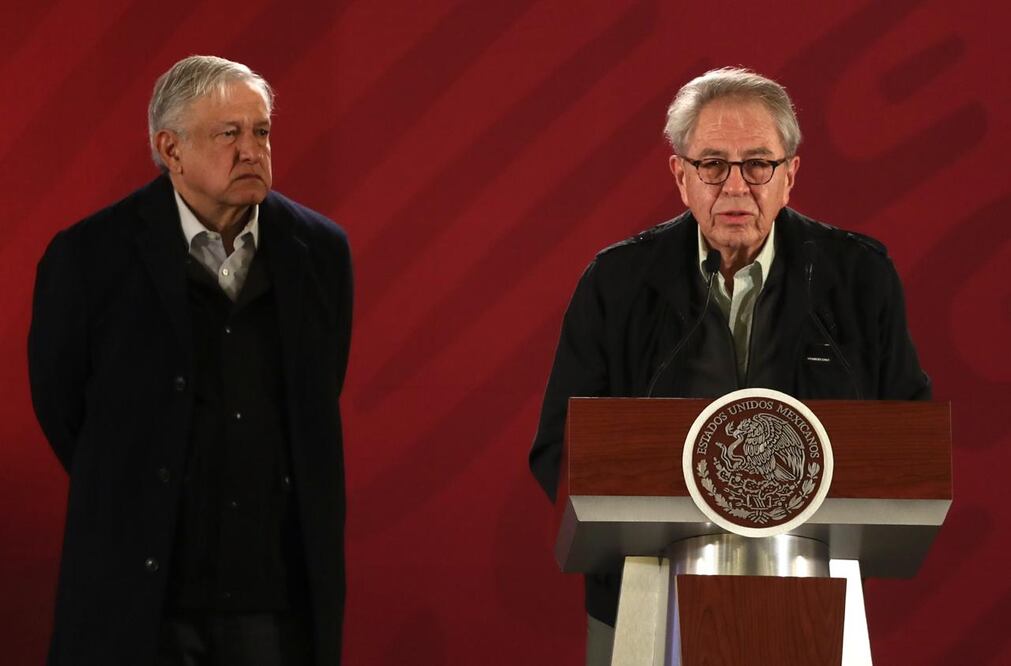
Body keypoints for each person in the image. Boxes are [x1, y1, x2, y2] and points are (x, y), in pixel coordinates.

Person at [528, 67, 930, 664]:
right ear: (680, 176)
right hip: (644, 598)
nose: (736, 187)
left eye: (758, 164)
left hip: (811, 594)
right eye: (713, 164)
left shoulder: (859, 278)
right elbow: (558, 450)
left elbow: (909, 445)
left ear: (790, 174)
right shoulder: (616, 283)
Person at [29, 55, 352, 665]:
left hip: (274, 598)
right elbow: (64, 407)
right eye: (228, 134)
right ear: (169, 149)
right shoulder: (88, 258)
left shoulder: (322, 253)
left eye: (261, 132)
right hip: (139, 594)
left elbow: (318, 392)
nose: (251, 150)